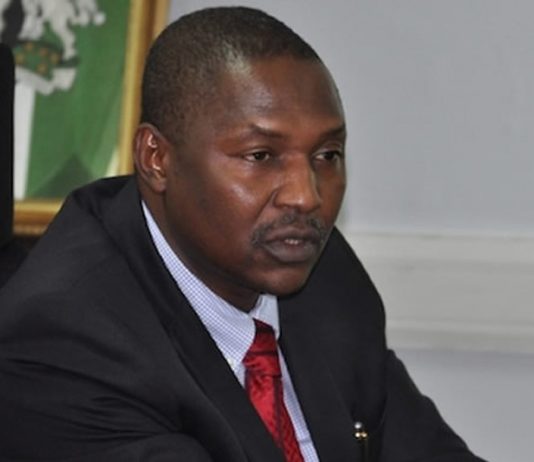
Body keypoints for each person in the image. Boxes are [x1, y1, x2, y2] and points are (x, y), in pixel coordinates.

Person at [0, 7, 486, 462]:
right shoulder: (63, 341)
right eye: (260, 156)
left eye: (327, 155)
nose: (306, 196)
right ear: (156, 158)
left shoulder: (323, 275)